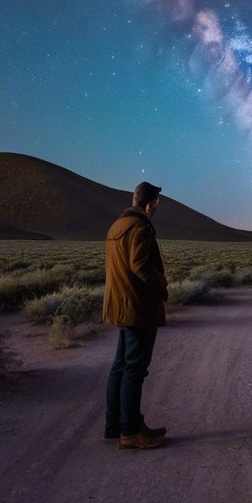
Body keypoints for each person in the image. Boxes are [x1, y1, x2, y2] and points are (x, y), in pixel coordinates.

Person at [103, 182, 170, 450]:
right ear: (151, 203)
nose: (157, 207)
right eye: (157, 202)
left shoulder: (117, 226)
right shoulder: (140, 226)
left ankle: (116, 426)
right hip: (137, 307)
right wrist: (162, 283)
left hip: (120, 304)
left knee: (120, 367)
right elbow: (140, 265)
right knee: (134, 369)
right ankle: (130, 433)